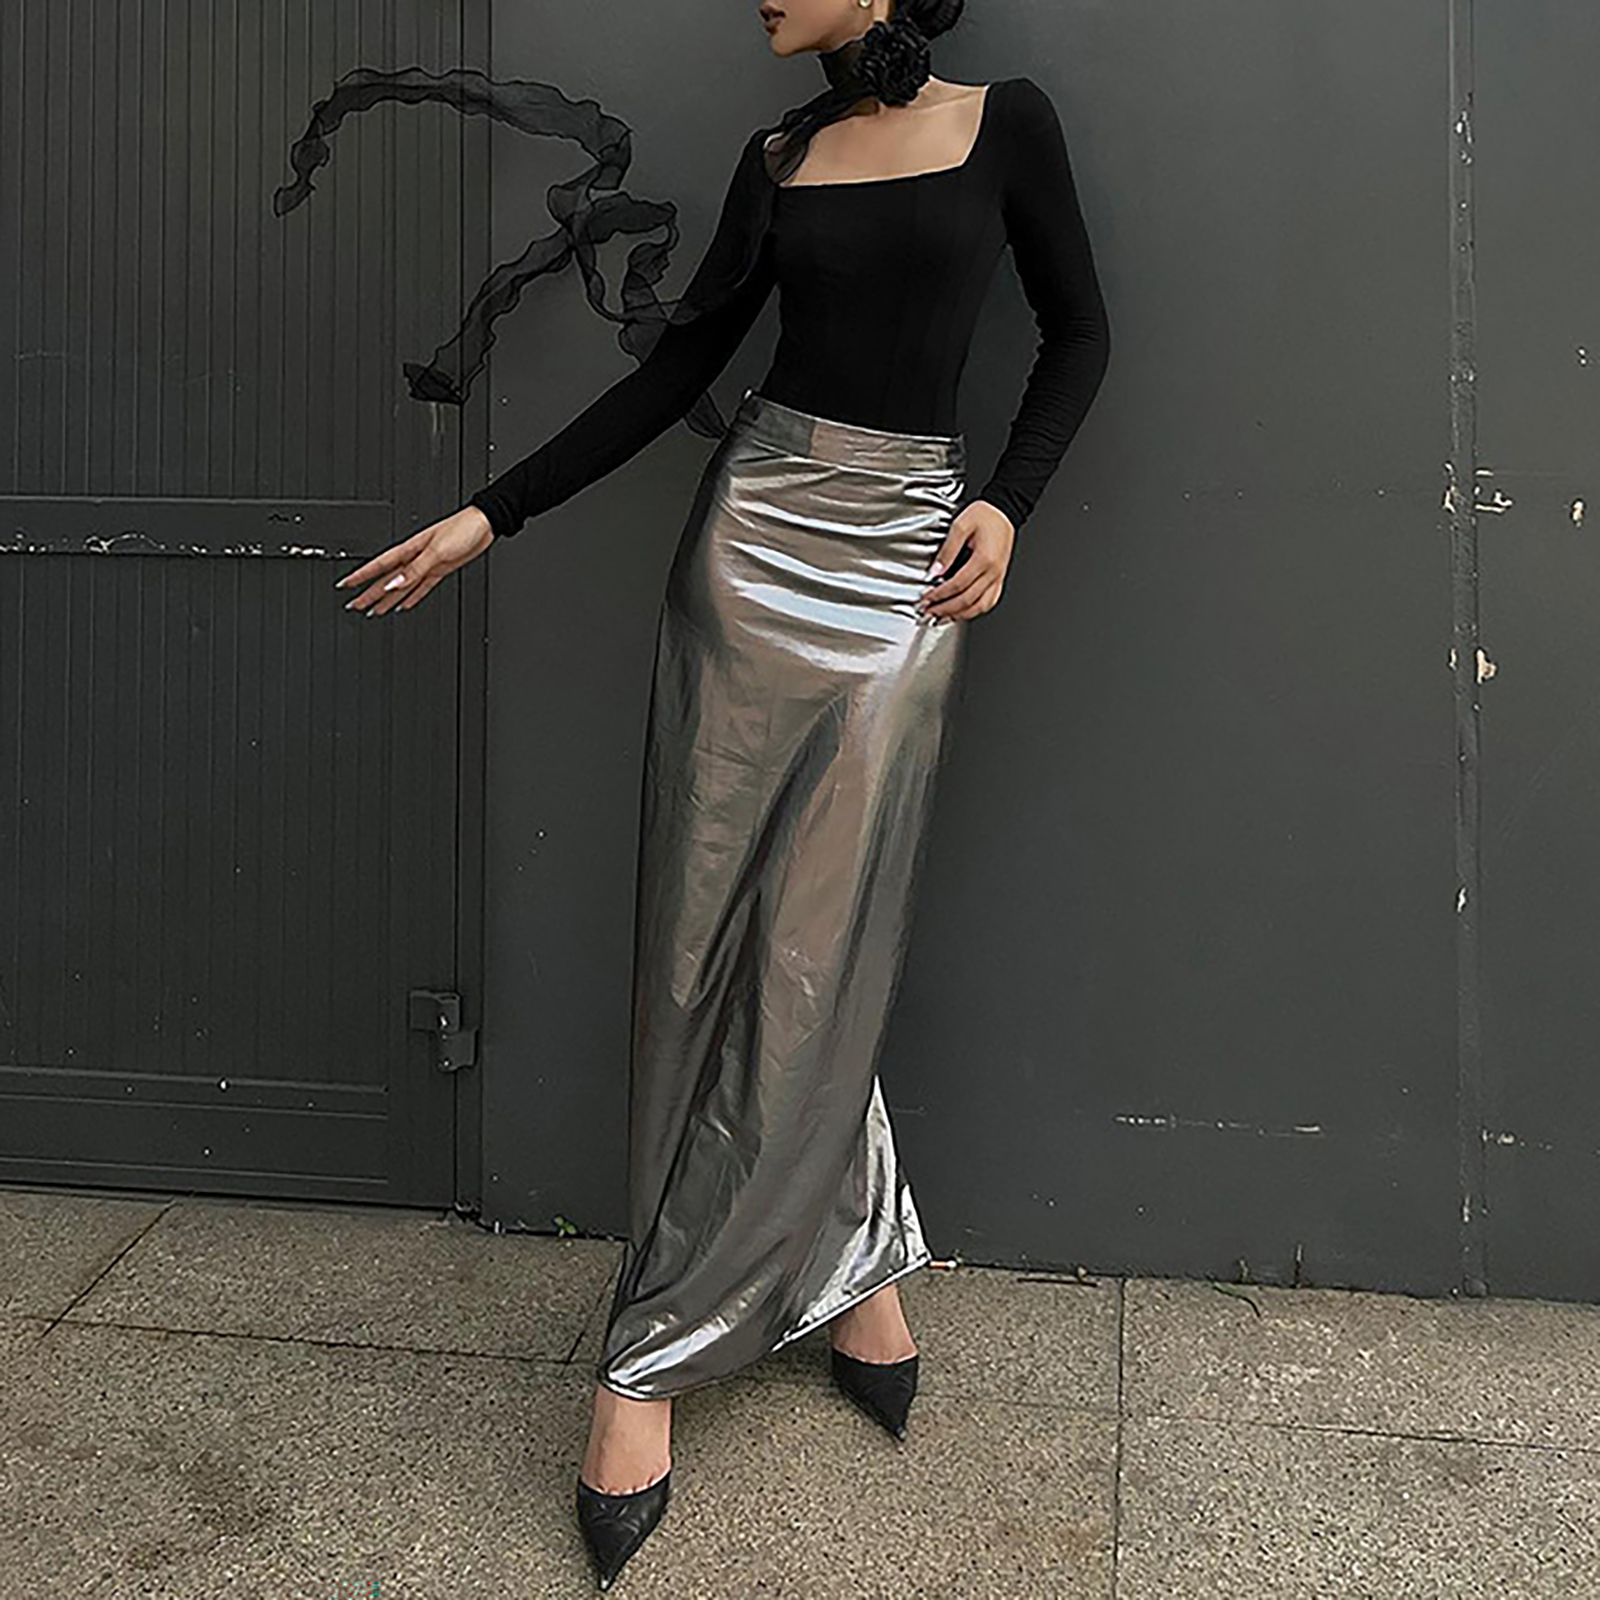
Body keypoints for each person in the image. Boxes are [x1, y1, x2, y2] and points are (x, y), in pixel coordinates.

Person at [335, 0, 1110, 1587]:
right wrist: (491, 516)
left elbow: (1081, 332)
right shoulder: (780, 156)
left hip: (904, 570)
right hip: (749, 551)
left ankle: (659, 1349)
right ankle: (837, 1278)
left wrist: (1011, 504)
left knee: (822, 944)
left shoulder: (1008, 123)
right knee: (701, 941)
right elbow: (683, 367)